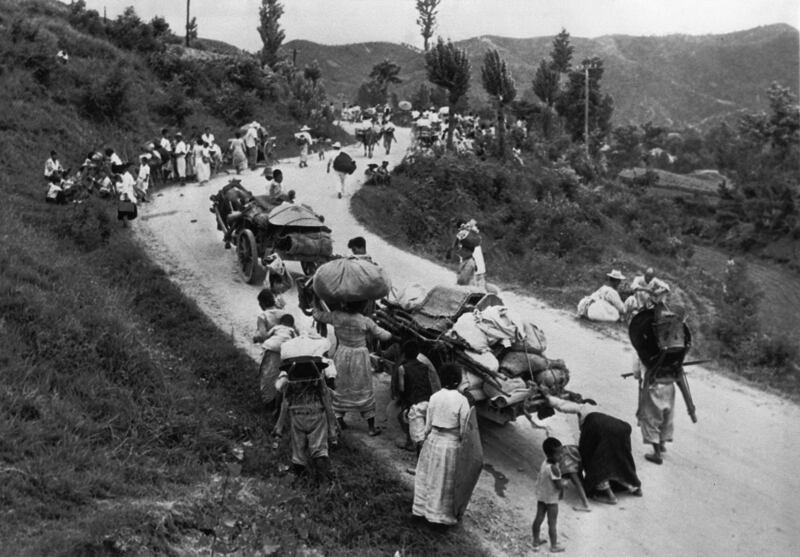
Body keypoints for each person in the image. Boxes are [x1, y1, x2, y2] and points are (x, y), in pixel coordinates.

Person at [544, 390, 643, 504]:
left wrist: (547, 396)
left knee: (596, 462)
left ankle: (610, 497)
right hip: (621, 428)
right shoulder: (598, 407)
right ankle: (635, 487)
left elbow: (562, 405)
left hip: (599, 428)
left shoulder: (582, 407)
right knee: (621, 460)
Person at [311, 301, 392, 436]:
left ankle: (340, 420)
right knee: (363, 387)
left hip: (342, 353)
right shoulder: (365, 320)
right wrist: (391, 333)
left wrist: (315, 304)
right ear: (361, 305)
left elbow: (318, 316)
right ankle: (371, 428)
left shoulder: (336, 316)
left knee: (341, 386)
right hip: (359, 356)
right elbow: (384, 335)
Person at [412, 363, 471, 526]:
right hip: (450, 445)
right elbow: (464, 429)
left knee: (429, 476)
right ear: (457, 381)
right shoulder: (462, 401)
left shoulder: (435, 396)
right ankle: (439, 516)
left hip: (432, 441)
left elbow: (428, 424)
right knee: (445, 481)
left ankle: (421, 510)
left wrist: (426, 437)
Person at [395, 340, 439, 454]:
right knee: (424, 427)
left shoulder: (402, 368)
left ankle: (411, 445)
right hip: (428, 400)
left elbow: (402, 389)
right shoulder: (424, 366)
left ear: (404, 354)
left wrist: (405, 405)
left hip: (415, 402)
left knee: (403, 417)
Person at [531, 437, 566, 553]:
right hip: (551, 499)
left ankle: (535, 541)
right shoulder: (554, 468)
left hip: (541, 495)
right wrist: (564, 486)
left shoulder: (545, 462)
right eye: (559, 454)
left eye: (562, 452)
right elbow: (558, 485)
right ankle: (554, 545)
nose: (561, 456)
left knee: (539, 518)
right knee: (552, 522)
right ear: (551, 455)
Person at [259, 313, 298, 408]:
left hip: (271, 347)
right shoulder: (291, 330)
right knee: (280, 373)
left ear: (281, 322)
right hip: (284, 350)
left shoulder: (277, 327)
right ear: (292, 324)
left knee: (267, 372)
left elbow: (267, 335)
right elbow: (296, 340)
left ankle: (267, 398)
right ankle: (275, 397)